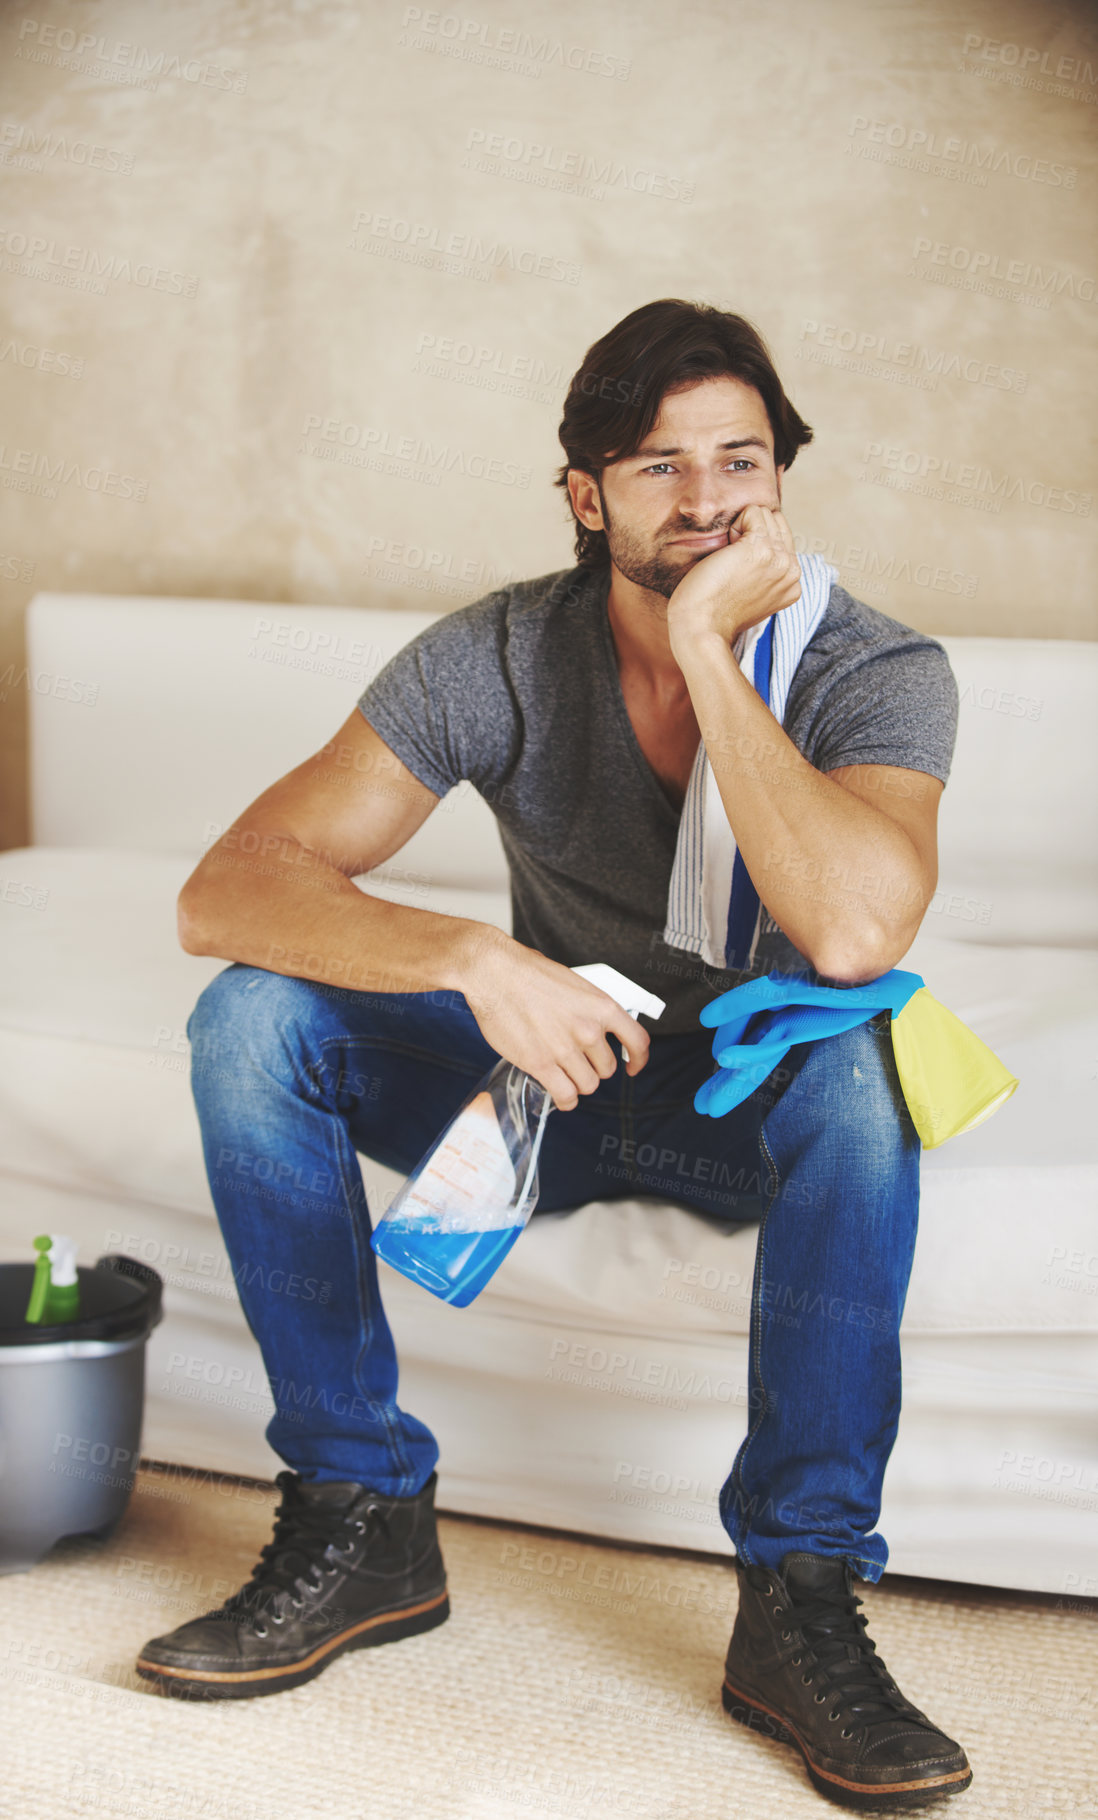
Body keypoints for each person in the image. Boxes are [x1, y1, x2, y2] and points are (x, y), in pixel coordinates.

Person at [137, 299, 971, 1809]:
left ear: (782, 477)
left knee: (859, 1076)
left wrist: (716, 652)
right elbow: (228, 888)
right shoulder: (500, 654)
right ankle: (358, 1512)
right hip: (559, 1076)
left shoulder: (874, 666)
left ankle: (796, 1597)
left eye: (741, 460)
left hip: (748, 1102)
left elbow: (853, 936)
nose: (709, 499)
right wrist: (469, 957)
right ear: (585, 498)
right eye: (658, 468)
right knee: (250, 1016)